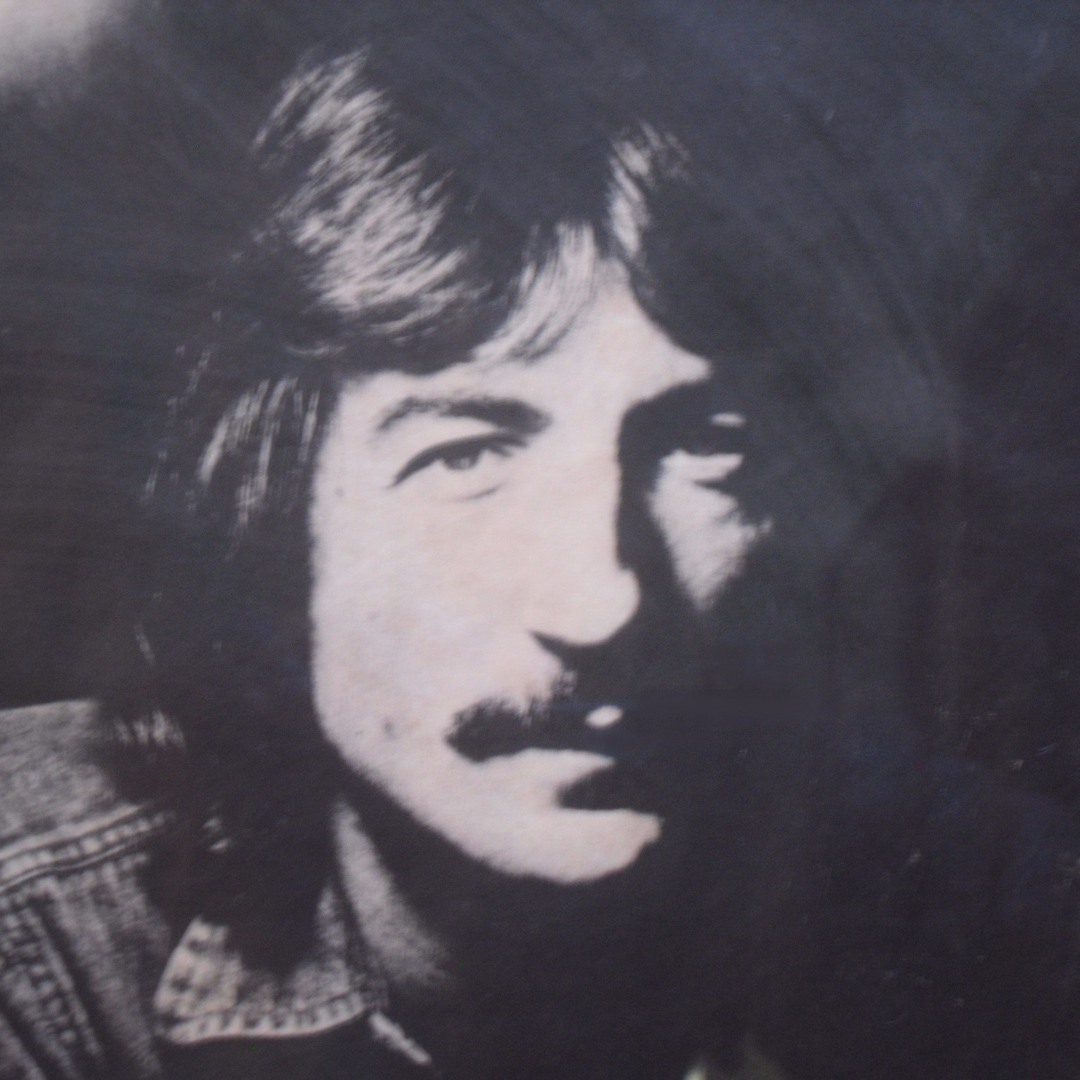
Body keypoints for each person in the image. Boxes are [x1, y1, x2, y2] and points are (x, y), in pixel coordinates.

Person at [2, 4, 1079, 1079]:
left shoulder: (985, 916)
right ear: (273, 527)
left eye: (707, 446)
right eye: (464, 455)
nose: (602, 602)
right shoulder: (34, 947)